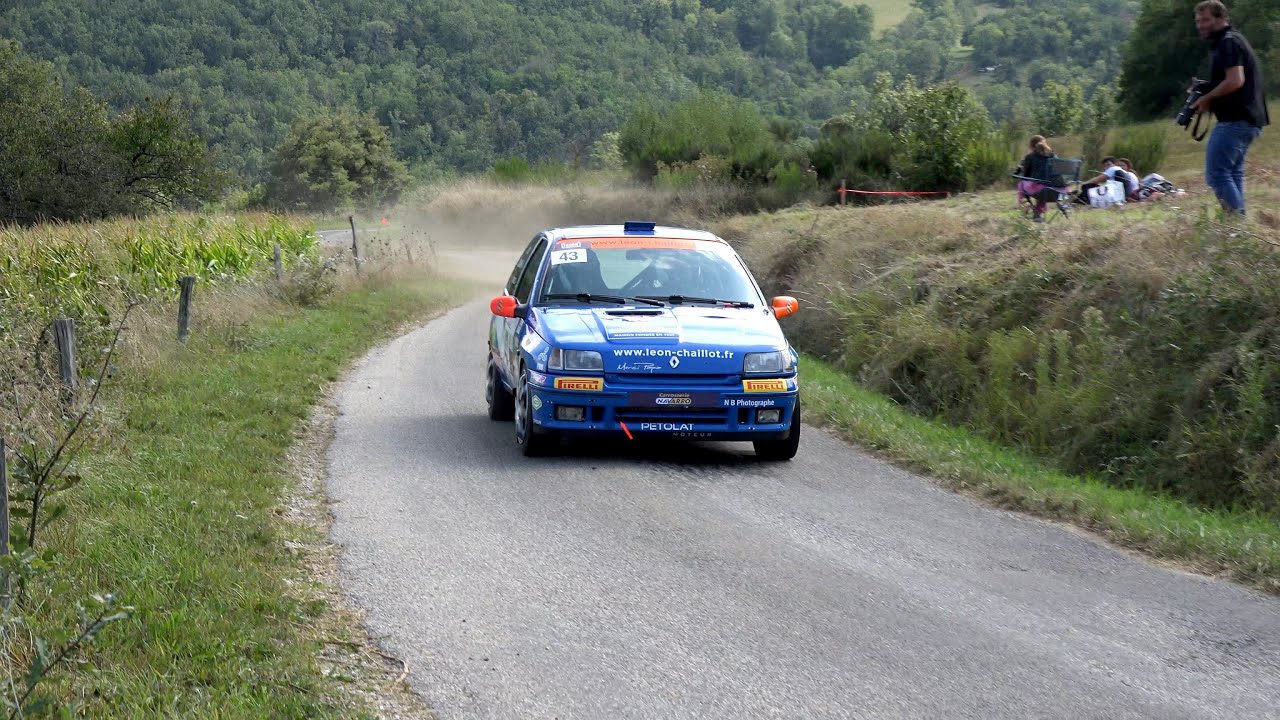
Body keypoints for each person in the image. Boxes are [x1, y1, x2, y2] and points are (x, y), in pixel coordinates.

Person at [1190, 0, 1269, 217]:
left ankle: (1237, 228)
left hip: (1236, 120)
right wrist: (1206, 88)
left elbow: (1235, 80)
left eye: (1205, 20)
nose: (1201, 25)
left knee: (1217, 175)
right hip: (1248, 120)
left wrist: (1207, 98)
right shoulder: (1233, 40)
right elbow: (1233, 80)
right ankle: (1239, 229)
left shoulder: (1227, 42)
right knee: (1232, 173)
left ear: (1221, 18)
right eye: (1198, 21)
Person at [1014, 135, 1057, 222]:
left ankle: (1022, 206)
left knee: (1021, 184)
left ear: (1031, 146)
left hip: (1041, 191)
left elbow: (1025, 176)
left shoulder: (1030, 157)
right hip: (1057, 190)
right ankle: (1037, 212)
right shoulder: (1053, 155)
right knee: (1044, 184)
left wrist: (1020, 170)